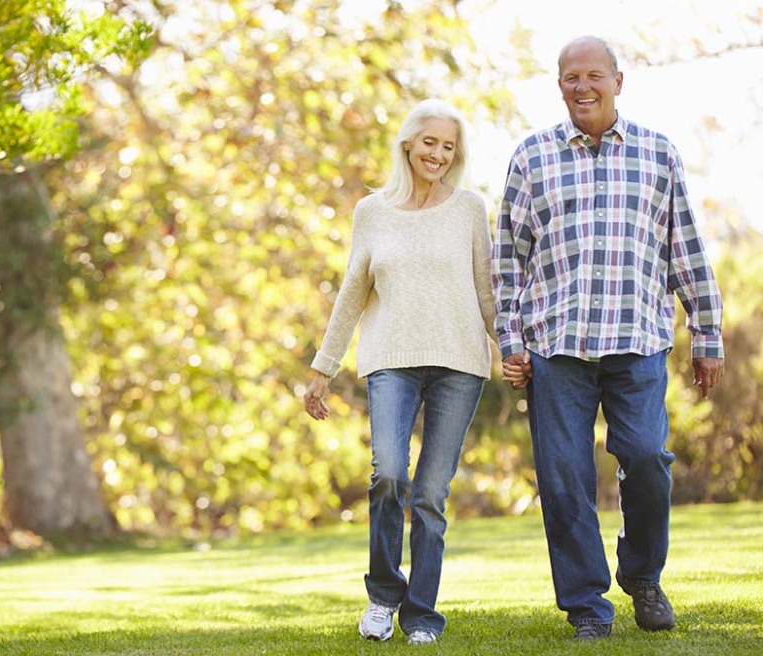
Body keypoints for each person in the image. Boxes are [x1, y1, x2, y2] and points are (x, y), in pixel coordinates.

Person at [492, 35, 725, 641]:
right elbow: (508, 258)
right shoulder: (531, 156)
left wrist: (707, 331)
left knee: (647, 459)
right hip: (556, 346)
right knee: (564, 476)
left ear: (618, 82)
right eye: (571, 78)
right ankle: (587, 607)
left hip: (638, 337)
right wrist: (510, 336)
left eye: (594, 76)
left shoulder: (658, 153)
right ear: (560, 86)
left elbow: (685, 249)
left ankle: (643, 578)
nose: (583, 87)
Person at [303, 98, 495, 646]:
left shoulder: (469, 209)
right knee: (389, 472)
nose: (438, 153)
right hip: (391, 359)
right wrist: (324, 368)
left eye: (448, 146)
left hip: (460, 362)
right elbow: (351, 293)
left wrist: (509, 345)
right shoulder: (373, 211)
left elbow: (486, 288)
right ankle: (384, 598)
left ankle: (422, 615)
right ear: (408, 143)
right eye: (429, 142)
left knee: (431, 493)